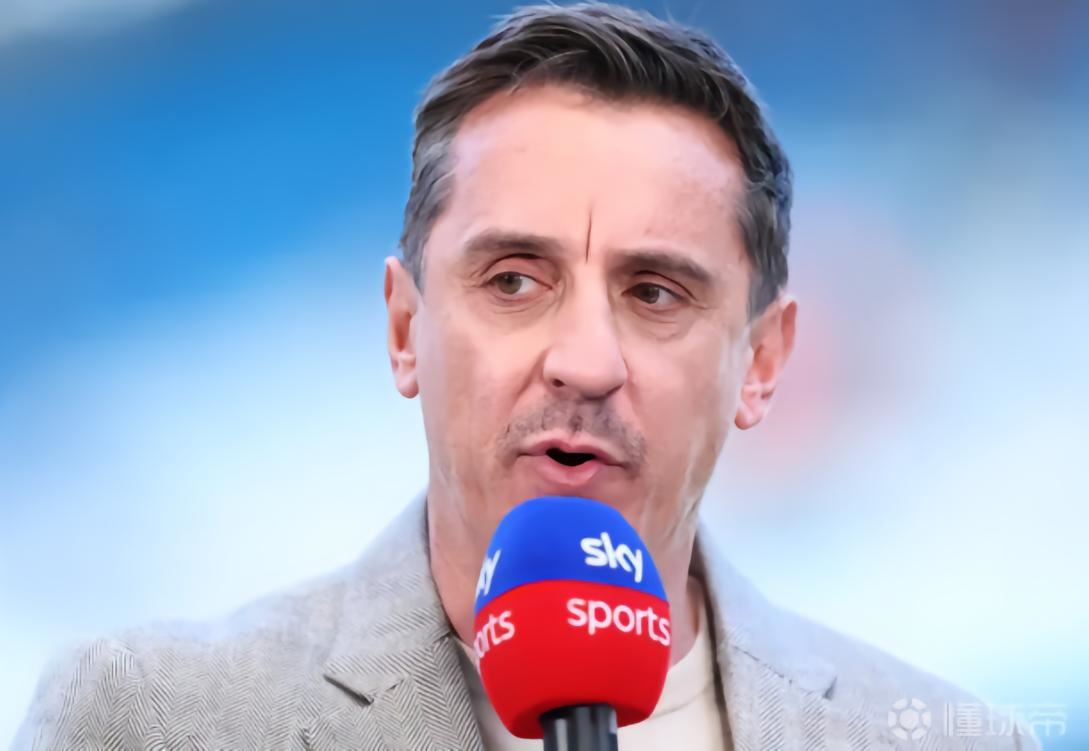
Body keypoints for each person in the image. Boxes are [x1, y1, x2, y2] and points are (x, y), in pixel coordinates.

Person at [14, 3, 1038, 750]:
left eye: (655, 293)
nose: (584, 362)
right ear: (405, 328)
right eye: (513, 280)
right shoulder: (151, 719)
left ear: (762, 361)